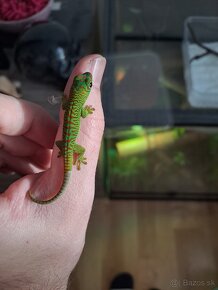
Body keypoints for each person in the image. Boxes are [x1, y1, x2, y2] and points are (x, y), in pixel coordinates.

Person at [0, 54, 106, 290]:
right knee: (61, 156)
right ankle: (72, 164)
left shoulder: (70, 103)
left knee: (61, 151)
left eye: (87, 83)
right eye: (87, 84)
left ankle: (70, 165)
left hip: (64, 147)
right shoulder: (77, 107)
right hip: (64, 148)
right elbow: (83, 113)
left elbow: (68, 105)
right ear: (87, 91)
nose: (88, 82)